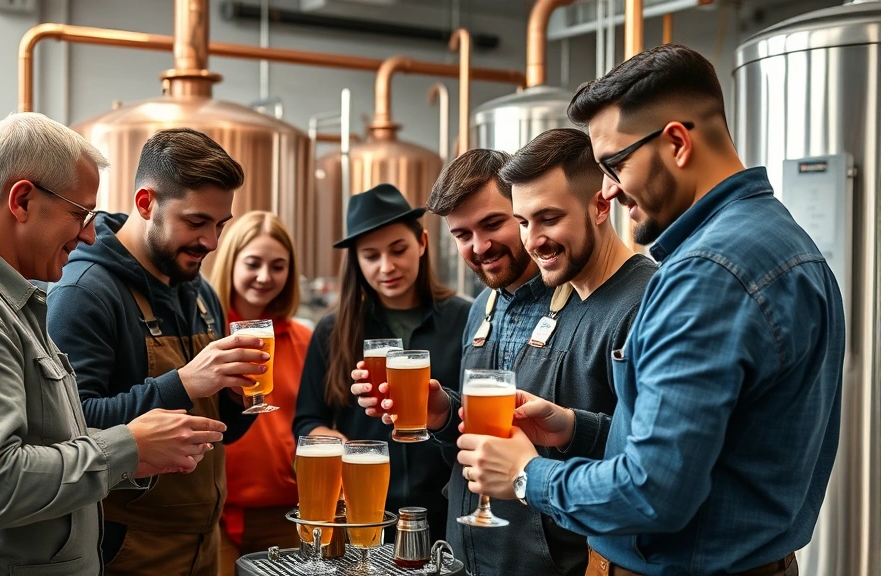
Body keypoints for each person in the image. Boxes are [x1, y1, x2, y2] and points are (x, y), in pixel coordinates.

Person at [467, 44, 844, 576]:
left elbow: (653, 493)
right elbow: (712, 455)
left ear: (677, 143)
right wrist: (576, 429)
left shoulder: (706, 275)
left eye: (615, 164)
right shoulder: (787, 243)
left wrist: (529, 475)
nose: (608, 189)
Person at [0, 113, 225, 575]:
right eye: (80, 214)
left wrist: (143, 453)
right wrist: (128, 447)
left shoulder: (6, 300)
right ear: (22, 200)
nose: (89, 234)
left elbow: (47, 443)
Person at [364, 131, 656, 576]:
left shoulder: (617, 295)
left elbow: (646, 461)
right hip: (468, 555)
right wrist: (444, 414)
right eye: (462, 234)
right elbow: (493, 433)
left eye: (493, 224)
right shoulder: (483, 306)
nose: (479, 246)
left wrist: (568, 432)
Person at [46, 128, 261, 575]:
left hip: (203, 541)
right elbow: (69, 426)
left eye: (221, 225)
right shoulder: (85, 292)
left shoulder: (200, 291)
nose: (212, 242)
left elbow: (217, 432)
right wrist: (184, 383)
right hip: (126, 548)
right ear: (146, 203)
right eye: (196, 222)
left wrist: (238, 403)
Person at [294, 183, 470, 537]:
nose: (387, 267)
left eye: (398, 250)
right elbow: (307, 421)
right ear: (356, 262)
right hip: (365, 510)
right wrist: (342, 447)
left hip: (450, 511)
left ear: (422, 243)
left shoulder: (466, 317)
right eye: (371, 256)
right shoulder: (332, 328)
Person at [207, 211, 311, 574]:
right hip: (215, 514)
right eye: (253, 263)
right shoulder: (207, 336)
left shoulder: (305, 340)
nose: (265, 276)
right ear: (231, 262)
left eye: (278, 266)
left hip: (287, 514)